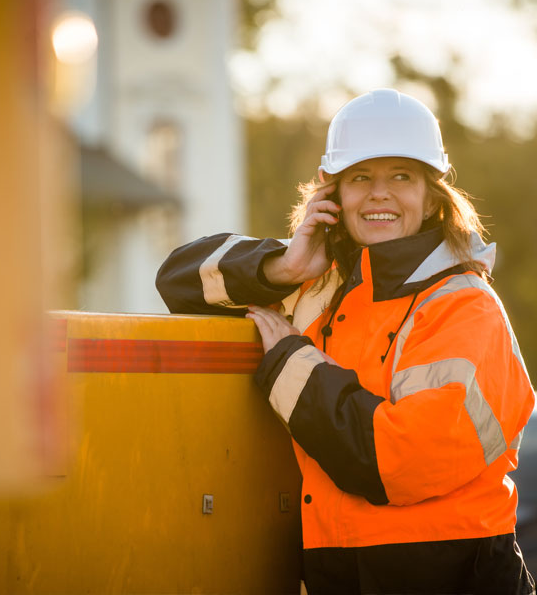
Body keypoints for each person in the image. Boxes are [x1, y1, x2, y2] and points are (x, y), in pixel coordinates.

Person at [156, 88, 536, 595]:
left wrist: (291, 368)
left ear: (431, 197)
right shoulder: (318, 287)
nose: (380, 193)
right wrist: (284, 265)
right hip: (336, 568)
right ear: (331, 194)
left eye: (401, 175)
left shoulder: (467, 308)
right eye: (361, 177)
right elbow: (176, 281)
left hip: (453, 573)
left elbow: (397, 464)